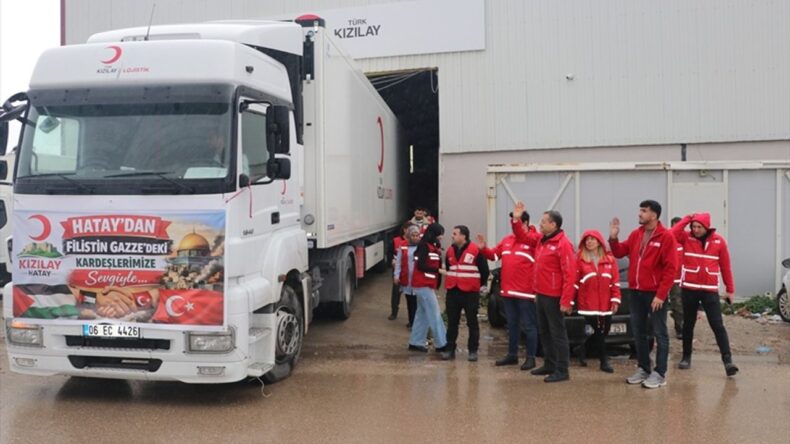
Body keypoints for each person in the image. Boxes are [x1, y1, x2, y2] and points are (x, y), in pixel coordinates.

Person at [609, 200, 677, 389]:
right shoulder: (636, 234)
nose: (639, 214)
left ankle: (660, 373)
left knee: (659, 332)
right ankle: (643, 368)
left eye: (644, 211)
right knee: (638, 332)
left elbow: (671, 269)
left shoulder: (666, 237)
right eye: (640, 210)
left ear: (654, 215)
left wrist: (661, 295)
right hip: (636, 291)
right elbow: (620, 252)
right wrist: (613, 238)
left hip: (654, 293)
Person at [671, 212, 739, 376]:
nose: (695, 229)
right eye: (693, 226)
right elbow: (673, 233)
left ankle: (728, 361)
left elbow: (725, 267)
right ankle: (686, 357)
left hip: (709, 291)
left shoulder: (719, 242)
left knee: (717, 325)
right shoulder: (686, 238)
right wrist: (687, 219)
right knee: (688, 324)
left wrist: (730, 289)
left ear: (706, 227)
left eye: (699, 227)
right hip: (689, 289)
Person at [478, 201, 541, 371]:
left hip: (526, 293)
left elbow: (520, 233)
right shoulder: (507, 240)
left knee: (529, 326)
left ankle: (531, 358)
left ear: (524, 223)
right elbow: (493, 256)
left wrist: (517, 220)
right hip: (508, 291)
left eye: (516, 220)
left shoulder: (535, 240)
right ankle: (512, 355)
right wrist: (484, 249)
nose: (512, 224)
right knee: (511, 324)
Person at [530, 209, 576, 383]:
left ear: (553, 225)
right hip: (542, 294)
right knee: (545, 331)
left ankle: (562, 369)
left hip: (554, 296)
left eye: (543, 221)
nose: (540, 224)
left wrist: (566, 300)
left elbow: (569, 274)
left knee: (557, 333)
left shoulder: (563, 244)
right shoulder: (543, 241)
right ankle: (549, 364)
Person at [573, 230, 621, 373]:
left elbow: (615, 282)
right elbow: (574, 282)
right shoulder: (579, 260)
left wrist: (615, 300)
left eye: (592, 239)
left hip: (606, 303)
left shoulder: (609, 260)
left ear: (599, 242)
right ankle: (603, 361)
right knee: (600, 330)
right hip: (589, 304)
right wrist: (569, 301)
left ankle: (583, 348)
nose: (589, 242)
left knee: (605, 329)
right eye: (587, 239)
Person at [440, 225, 489, 361]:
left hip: (470, 293)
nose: (452, 236)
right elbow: (450, 268)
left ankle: (473, 351)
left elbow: (484, 271)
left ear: (463, 236)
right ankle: (450, 350)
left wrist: (477, 286)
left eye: (455, 233)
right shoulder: (450, 250)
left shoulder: (475, 251)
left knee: (472, 322)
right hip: (453, 292)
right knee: (452, 322)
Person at [407, 223, 448, 353]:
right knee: (434, 313)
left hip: (425, 285)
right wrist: (438, 270)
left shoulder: (431, 246)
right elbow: (421, 265)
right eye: (440, 234)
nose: (441, 237)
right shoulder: (425, 246)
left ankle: (416, 341)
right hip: (423, 285)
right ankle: (442, 344)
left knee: (422, 314)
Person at [392, 224, 419, 327]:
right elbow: (398, 262)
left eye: (417, 235)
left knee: (416, 302)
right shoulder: (403, 246)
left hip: (417, 279)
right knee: (409, 301)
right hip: (406, 278)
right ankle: (411, 320)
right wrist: (396, 276)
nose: (415, 237)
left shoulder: (421, 247)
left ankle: (415, 323)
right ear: (409, 235)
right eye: (413, 235)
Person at [669, 216, 685, 339]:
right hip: (667, 278)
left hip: (680, 279)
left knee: (678, 304)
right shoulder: (668, 239)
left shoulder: (685, 241)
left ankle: (680, 329)